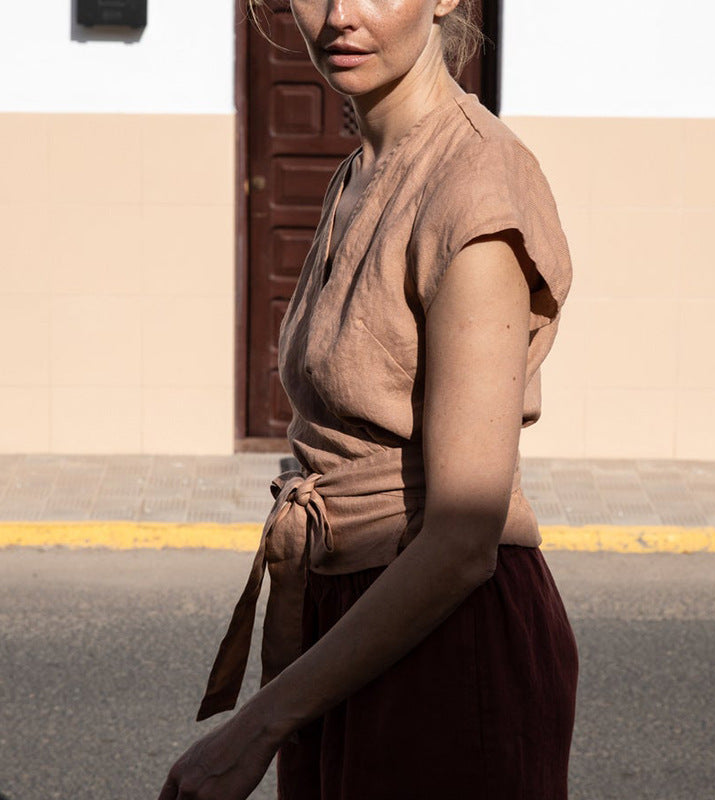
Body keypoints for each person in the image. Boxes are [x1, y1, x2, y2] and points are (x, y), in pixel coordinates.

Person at [158, 1, 578, 798]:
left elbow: (461, 539)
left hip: (448, 647)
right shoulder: (369, 165)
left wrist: (256, 726)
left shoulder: (474, 188)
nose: (339, 16)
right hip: (352, 628)